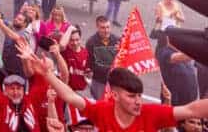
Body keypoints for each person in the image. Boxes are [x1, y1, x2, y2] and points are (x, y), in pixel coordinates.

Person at [20, 50, 208, 132]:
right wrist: (47, 74)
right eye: (132, 96)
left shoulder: (151, 114)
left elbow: (191, 110)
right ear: (115, 95)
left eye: (139, 96)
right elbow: (70, 96)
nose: (138, 102)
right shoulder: (102, 111)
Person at [0, 39, 40, 132]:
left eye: (19, 88)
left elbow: (37, 82)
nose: (15, 92)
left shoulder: (29, 102)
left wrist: (29, 60)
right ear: (5, 91)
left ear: (24, 91)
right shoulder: (0, 104)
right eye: (12, 88)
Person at [157, 36, 199, 107]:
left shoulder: (181, 50)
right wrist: (201, 50)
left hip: (190, 98)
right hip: (174, 100)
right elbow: (181, 57)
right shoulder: (164, 52)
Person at [85, 16, 119, 100]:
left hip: (114, 82)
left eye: (108, 27)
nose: (106, 30)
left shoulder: (117, 40)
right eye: (103, 28)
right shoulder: (91, 42)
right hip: (99, 81)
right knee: (100, 105)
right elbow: (89, 62)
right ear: (97, 27)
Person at [59, 25, 89, 93]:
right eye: (71, 40)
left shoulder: (85, 52)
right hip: (66, 90)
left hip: (81, 92)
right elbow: (62, 45)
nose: (75, 43)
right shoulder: (65, 51)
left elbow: (88, 73)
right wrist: (69, 29)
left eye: (77, 40)